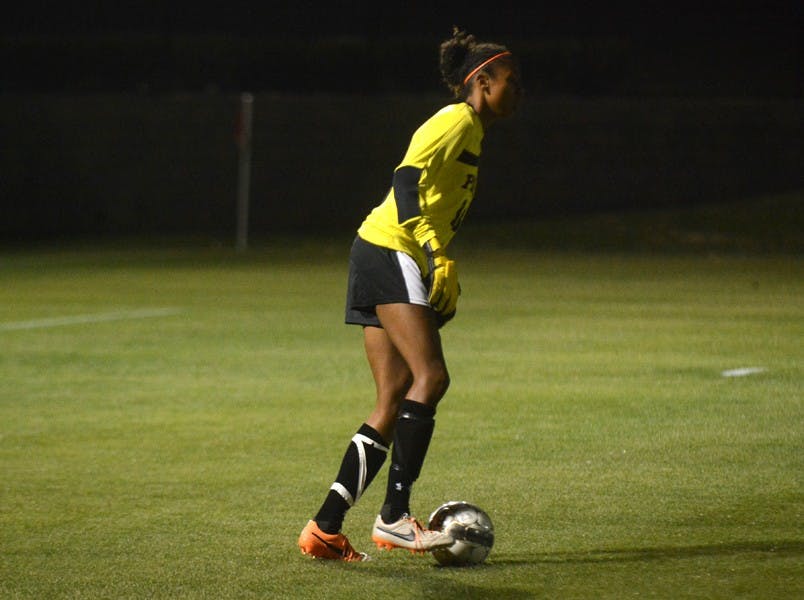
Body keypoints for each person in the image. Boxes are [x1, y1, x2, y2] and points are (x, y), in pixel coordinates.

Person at [298, 26, 523, 561]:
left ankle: (325, 527)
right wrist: (432, 251)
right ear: (482, 81)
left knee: (393, 397)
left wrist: (444, 256)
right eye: (512, 80)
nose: (519, 90)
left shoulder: (475, 132)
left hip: (378, 251)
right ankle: (394, 518)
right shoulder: (456, 119)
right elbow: (405, 180)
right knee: (432, 377)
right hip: (389, 248)